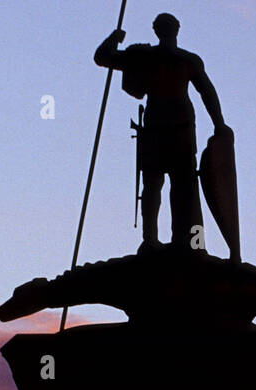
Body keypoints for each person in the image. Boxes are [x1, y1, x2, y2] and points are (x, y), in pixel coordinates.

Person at [94, 13, 230, 250]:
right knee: (170, 185)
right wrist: (219, 123)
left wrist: (115, 37)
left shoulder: (165, 58)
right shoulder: (171, 58)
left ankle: (171, 241)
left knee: (168, 185)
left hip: (174, 128)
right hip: (166, 127)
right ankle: (158, 241)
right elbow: (207, 92)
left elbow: (103, 56)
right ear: (175, 29)